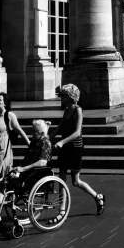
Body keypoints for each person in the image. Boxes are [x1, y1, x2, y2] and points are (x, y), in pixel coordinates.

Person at [0, 119, 52, 227]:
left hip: (33, 176)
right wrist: (18, 168)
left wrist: (23, 168)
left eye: (34, 131)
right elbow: (27, 159)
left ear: (41, 133)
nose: (32, 133)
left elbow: (42, 162)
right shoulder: (34, 143)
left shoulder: (46, 143)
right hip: (26, 173)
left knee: (2, 185)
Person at [50, 84, 105, 215]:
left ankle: (98, 197)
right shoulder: (67, 110)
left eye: (63, 95)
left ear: (70, 97)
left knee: (75, 181)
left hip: (75, 147)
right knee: (61, 178)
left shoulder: (77, 110)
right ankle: (62, 210)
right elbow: (59, 128)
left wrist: (61, 142)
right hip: (65, 146)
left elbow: (77, 133)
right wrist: (47, 138)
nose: (61, 98)